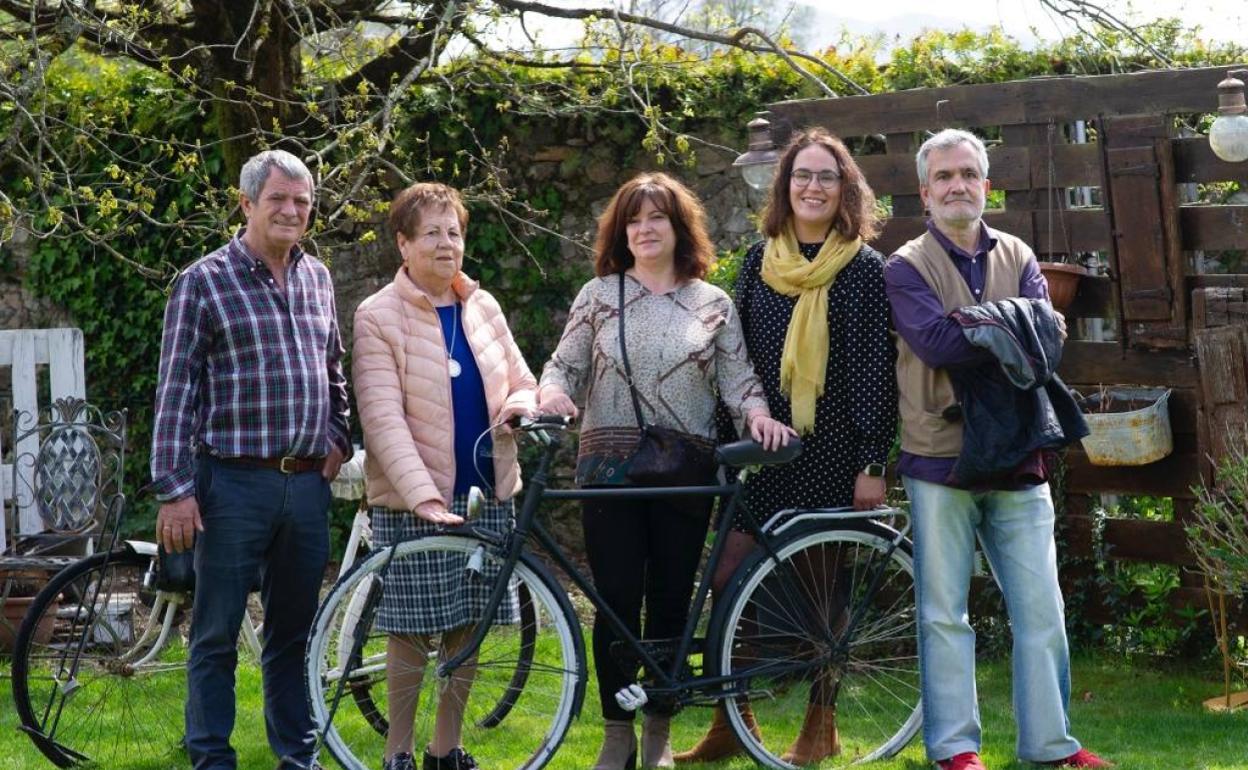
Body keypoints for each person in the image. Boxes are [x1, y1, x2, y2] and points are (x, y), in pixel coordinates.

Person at [538, 172, 795, 770]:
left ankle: (658, 731)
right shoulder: (598, 295)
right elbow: (563, 366)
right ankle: (615, 733)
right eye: (633, 219)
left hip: (686, 471)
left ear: (680, 229)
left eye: (656, 218)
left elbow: (738, 382)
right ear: (620, 231)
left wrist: (759, 417)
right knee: (617, 602)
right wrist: (550, 395)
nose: (644, 229)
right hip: (607, 468)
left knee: (672, 600)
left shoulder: (713, 302)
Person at [882, 128, 1110, 770]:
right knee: (944, 615)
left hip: (1018, 451)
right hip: (940, 455)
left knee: (1042, 609)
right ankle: (956, 749)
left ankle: (1050, 746)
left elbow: (1049, 343)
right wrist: (1013, 325)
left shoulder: (1019, 253)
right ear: (925, 193)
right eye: (945, 177)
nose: (959, 186)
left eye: (969, 174)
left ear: (987, 184)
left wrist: (986, 326)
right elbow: (937, 346)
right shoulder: (904, 267)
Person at [675, 127, 898, 766]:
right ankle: (730, 718)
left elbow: (874, 375)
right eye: (802, 175)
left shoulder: (863, 268)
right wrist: (732, 436)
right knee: (727, 577)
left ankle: (820, 723)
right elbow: (733, 359)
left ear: (845, 188)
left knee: (820, 588)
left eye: (827, 176)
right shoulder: (757, 261)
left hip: (832, 450)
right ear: (786, 185)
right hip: (761, 450)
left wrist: (871, 464)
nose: (813, 186)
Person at [151, 149, 351, 770]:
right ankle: (211, 757)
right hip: (229, 484)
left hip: (306, 486)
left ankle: (297, 755)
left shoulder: (318, 277)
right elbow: (175, 389)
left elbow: (334, 367)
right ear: (246, 204)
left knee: (293, 633)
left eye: (302, 201)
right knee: (215, 635)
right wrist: (174, 489)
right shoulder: (202, 282)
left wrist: (339, 432)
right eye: (278, 200)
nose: (292, 211)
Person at [352, 182, 537, 770]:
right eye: (430, 232)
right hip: (413, 500)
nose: (445, 243)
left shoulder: (483, 306)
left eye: (454, 232)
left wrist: (520, 406)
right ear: (403, 244)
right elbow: (381, 418)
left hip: (488, 493)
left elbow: (523, 381)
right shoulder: (377, 315)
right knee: (410, 628)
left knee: (468, 625)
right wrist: (422, 497)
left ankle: (446, 749)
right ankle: (397, 752)